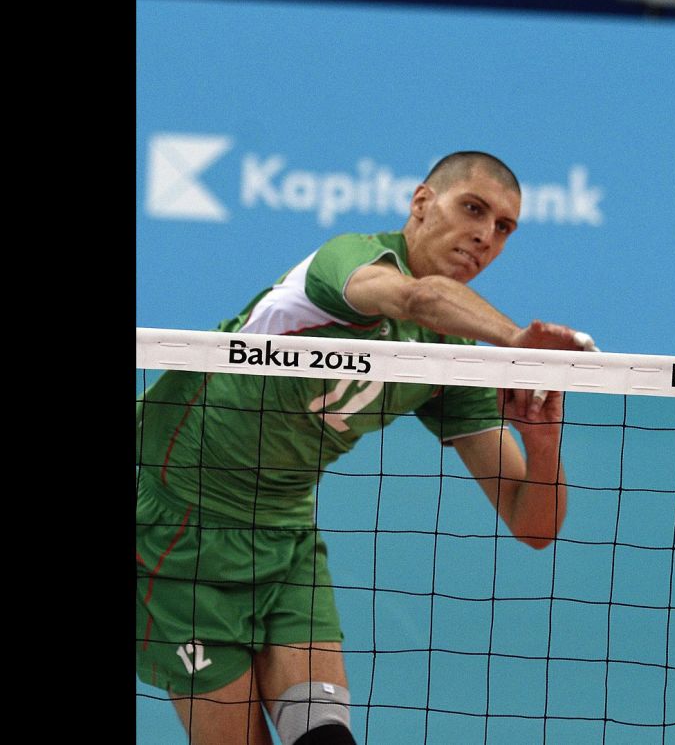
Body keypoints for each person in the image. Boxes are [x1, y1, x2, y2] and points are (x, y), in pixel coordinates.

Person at [136, 151, 593, 745]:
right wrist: (515, 341)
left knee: (326, 738)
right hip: (174, 539)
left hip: (283, 541)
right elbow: (414, 299)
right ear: (423, 203)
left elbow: (532, 523)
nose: (484, 235)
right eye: (473, 209)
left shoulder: (456, 355)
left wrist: (541, 439)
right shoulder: (346, 262)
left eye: (503, 228)